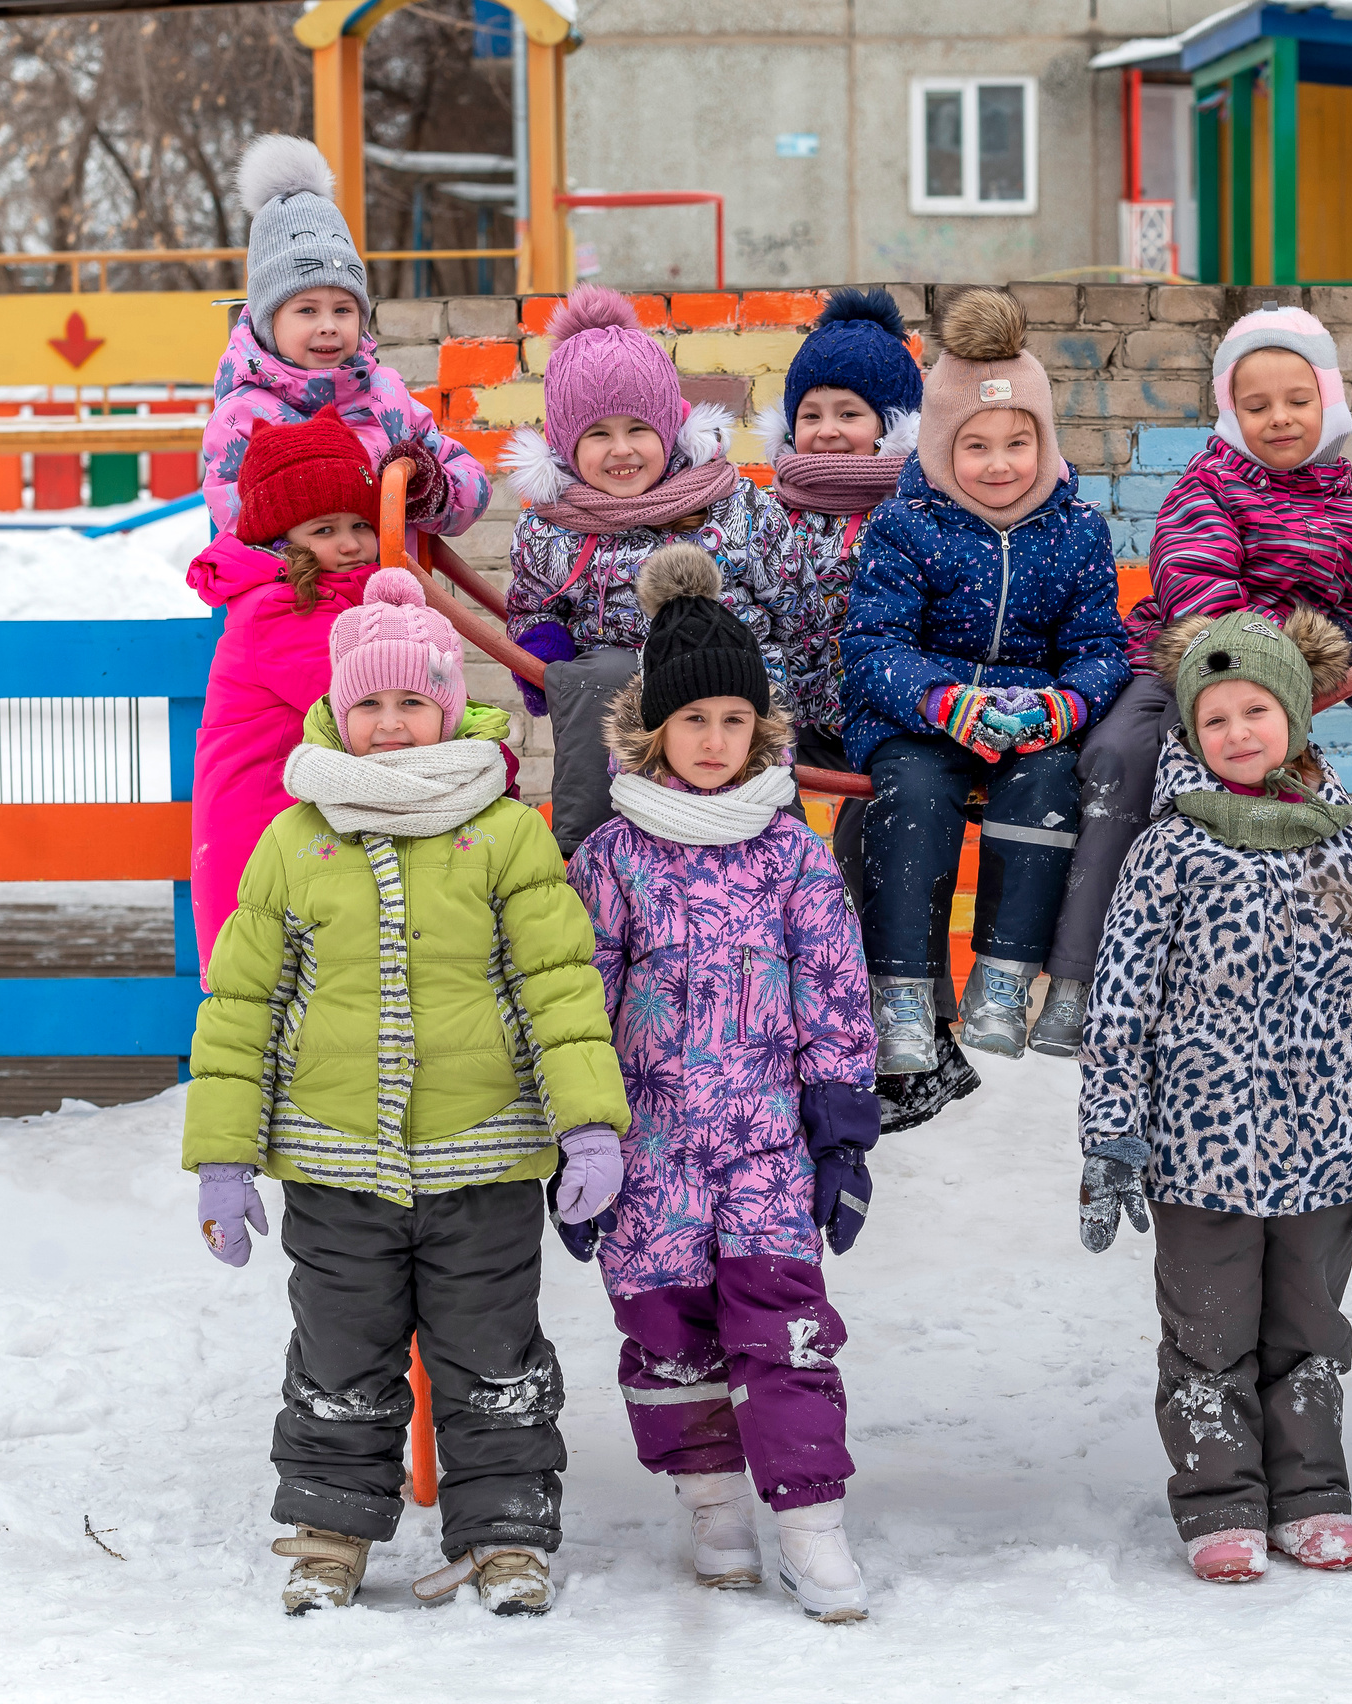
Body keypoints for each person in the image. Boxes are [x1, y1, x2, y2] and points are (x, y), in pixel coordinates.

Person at [182, 568, 628, 1618]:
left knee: (493, 1357)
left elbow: (558, 987)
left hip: (482, 1153)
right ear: (338, 709)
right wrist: (222, 1153)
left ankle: (506, 1536)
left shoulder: (506, 830)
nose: (389, 725)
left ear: (447, 705)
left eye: (410, 702)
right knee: (340, 1353)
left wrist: (590, 1126)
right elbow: (242, 1001)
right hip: (337, 1158)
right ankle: (329, 1536)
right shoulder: (297, 839)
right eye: (368, 703)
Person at [1075, 607, 1352, 1585]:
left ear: (1298, 718)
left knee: (1310, 1335)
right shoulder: (1168, 851)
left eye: (1257, 710)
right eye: (1215, 717)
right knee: (1208, 1335)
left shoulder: (1344, 850)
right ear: (1190, 733)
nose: (1238, 732)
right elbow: (1120, 1003)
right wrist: (1113, 1141)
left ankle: (1312, 1498)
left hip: (1326, 1150)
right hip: (1203, 1154)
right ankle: (1220, 1501)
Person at [567, 545, 880, 1623]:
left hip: (764, 1146)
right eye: (693, 721)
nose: (713, 742)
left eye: (733, 722)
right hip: (649, 1150)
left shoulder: (789, 853)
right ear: (656, 731)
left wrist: (841, 1135)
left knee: (785, 1330)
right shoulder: (611, 858)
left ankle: (813, 1526)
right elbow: (575, 1003)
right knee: (665, 1333)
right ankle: (713, 1511)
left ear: (762, 731)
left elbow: (836, 993)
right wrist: (577, 1139)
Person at [1038, 306, 1352, 1056]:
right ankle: (1076, 979)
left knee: (1261, 792)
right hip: (1177, 669)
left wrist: (1346, 658)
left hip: (1269, 690)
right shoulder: (1208, 490)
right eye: (1255, 405)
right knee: (1123, 760)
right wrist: (1266, 657)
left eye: (1297, 400)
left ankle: (1247, 983)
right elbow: (1197, 591)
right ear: (1231, 414)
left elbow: (1349, 610)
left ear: (1328, 398)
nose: (1279, 419)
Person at [838, 285, 1130, 1067]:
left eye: (1017, 442)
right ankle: (901, 989)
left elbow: (1102, 647)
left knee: (1047, 786)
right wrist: (944, 700)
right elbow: (874, 646)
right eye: (975, 445)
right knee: (914, 793)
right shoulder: (906, 527)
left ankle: (1002, 978)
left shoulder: (1076, 531)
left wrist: (1062, 707)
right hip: (922, 721)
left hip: (1031, 719)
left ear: (1046, 441)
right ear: (940, 447)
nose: (999, 465)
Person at [501, 285, 778, 860]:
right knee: (595, 674)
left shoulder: (732, 505)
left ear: (669, 431)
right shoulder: (553, 525)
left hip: (721, 676)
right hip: (622, 692)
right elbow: (531, 603)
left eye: (638, 429)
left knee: (747, 696)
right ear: (566, 445)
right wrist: (540, 645)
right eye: (597, 434)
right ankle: (587, 852)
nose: (621, 450)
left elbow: (782, 603)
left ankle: (770, 839)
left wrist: (778, 674)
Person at [186, 406, 401, 966]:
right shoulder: (281, 609)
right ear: (282, 539)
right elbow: (356, 703)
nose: (351, 543)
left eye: (361, 523)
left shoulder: (340, 594)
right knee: (263, 987)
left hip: (301, 816)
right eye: (324, 530)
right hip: (261, 826)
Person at [199, 135, 486, 546]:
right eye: (307, 310)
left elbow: (472, 483)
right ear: (268, 321)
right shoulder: (244, 416)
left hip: (395, 600)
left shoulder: (385, 396)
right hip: (304, 603)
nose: (329, 325)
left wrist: (432, 490)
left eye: (344, 310)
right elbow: (238, 527)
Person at [750, 287, 924, 775]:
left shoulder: (916, 512)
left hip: (883, 713)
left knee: (873, 828)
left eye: (848, 414)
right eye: (810, 415)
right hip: (785, 715)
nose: (826, 430)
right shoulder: (766, 511)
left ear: (893, 427)